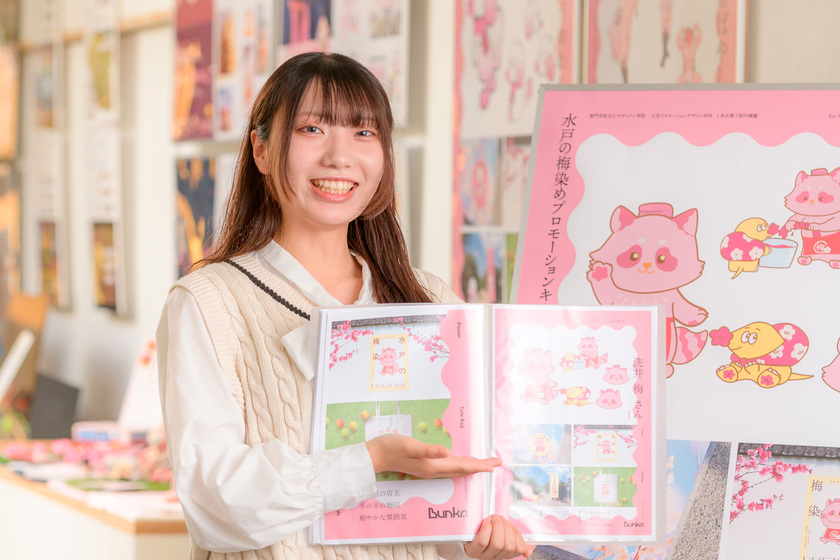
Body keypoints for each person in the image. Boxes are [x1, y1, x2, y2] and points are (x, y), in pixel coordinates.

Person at [157, 52, 534, 560]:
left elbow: (450, 510)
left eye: (363, 132)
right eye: (312, 129)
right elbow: (213, 505)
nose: (340, 156)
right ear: (261, 150)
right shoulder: (208, 302)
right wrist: (369, 460)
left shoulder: (432, 300)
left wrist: (477, 545)